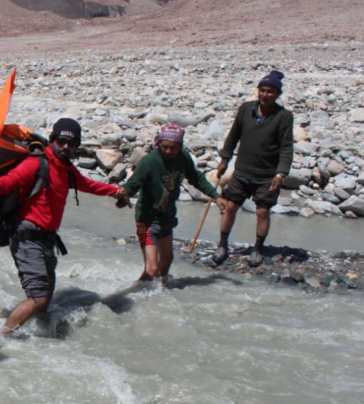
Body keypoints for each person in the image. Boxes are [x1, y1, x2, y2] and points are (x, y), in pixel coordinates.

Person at [0, 118, 130, 336]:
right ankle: (2, 337)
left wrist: (116, 191)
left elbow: (89, 185)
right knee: (38, 298)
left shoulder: (67, 170)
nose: (65, 147)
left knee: (44, 300)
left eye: (71, 143)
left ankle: (39, 337)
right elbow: (7, 182)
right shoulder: (37, 163)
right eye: (61, 141)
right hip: (26, 238)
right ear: (52, 140)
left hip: (47, 240)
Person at [122, 124, 227, 285]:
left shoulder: (183, 158)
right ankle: (136, 293)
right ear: (158, 144)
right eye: (165, 147)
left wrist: (216, 196)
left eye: (173, 148)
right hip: (146, 220)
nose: (169, 151)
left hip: (167, 217)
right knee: (152, 269)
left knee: (166, 262)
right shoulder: (148, 162)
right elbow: (133, 184)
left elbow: (196, 178)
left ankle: (159, 293)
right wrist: (124, 194)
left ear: (180, 146)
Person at [213, 70, 294, 267]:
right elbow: (233, 136)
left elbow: (286, 147)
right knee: (230, 207)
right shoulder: (245, 110)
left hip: (266, 175)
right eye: (262, 90)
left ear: (277, 95)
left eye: (270, 92)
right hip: (242, 172)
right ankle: (222, 244)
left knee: (262, 212)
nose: (265, 95)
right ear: (258, 91)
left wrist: (281, 174)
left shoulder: (283, 117)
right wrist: (225, 158)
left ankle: (258, 248)